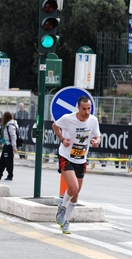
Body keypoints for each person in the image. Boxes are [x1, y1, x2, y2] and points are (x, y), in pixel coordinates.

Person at [52, 95, 101, 234]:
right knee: (73, 187)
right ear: (78, 108)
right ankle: (62, 207)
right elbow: (55, 126)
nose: (87, 112)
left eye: (89, 108)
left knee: (76, 194)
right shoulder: (68, 119)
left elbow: (97, 135)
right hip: (67, 156)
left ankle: (65, 221)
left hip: (81, 158)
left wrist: (96, 141)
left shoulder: (93, 120)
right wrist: (62, 139)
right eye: (84, 109)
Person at [0, 111, 17, 181]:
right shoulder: (6, 125)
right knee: (2, 161)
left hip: (9, 146)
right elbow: (5, 137)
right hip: (5, 145)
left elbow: (13, 137)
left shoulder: (10, 125)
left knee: (8, 161)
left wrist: (14, 147)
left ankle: (10, 175)